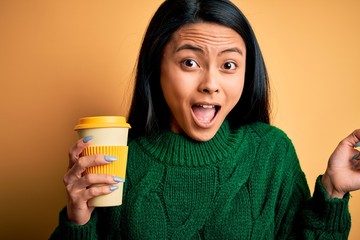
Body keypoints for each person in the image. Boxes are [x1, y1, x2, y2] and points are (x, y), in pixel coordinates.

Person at [50, 0, 360, 239]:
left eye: (228, 64)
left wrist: (333, 191)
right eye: (189, 62)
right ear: (156, 66)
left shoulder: (271, 153)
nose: (210, 83)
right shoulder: (115, 165)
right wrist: (79, 220)